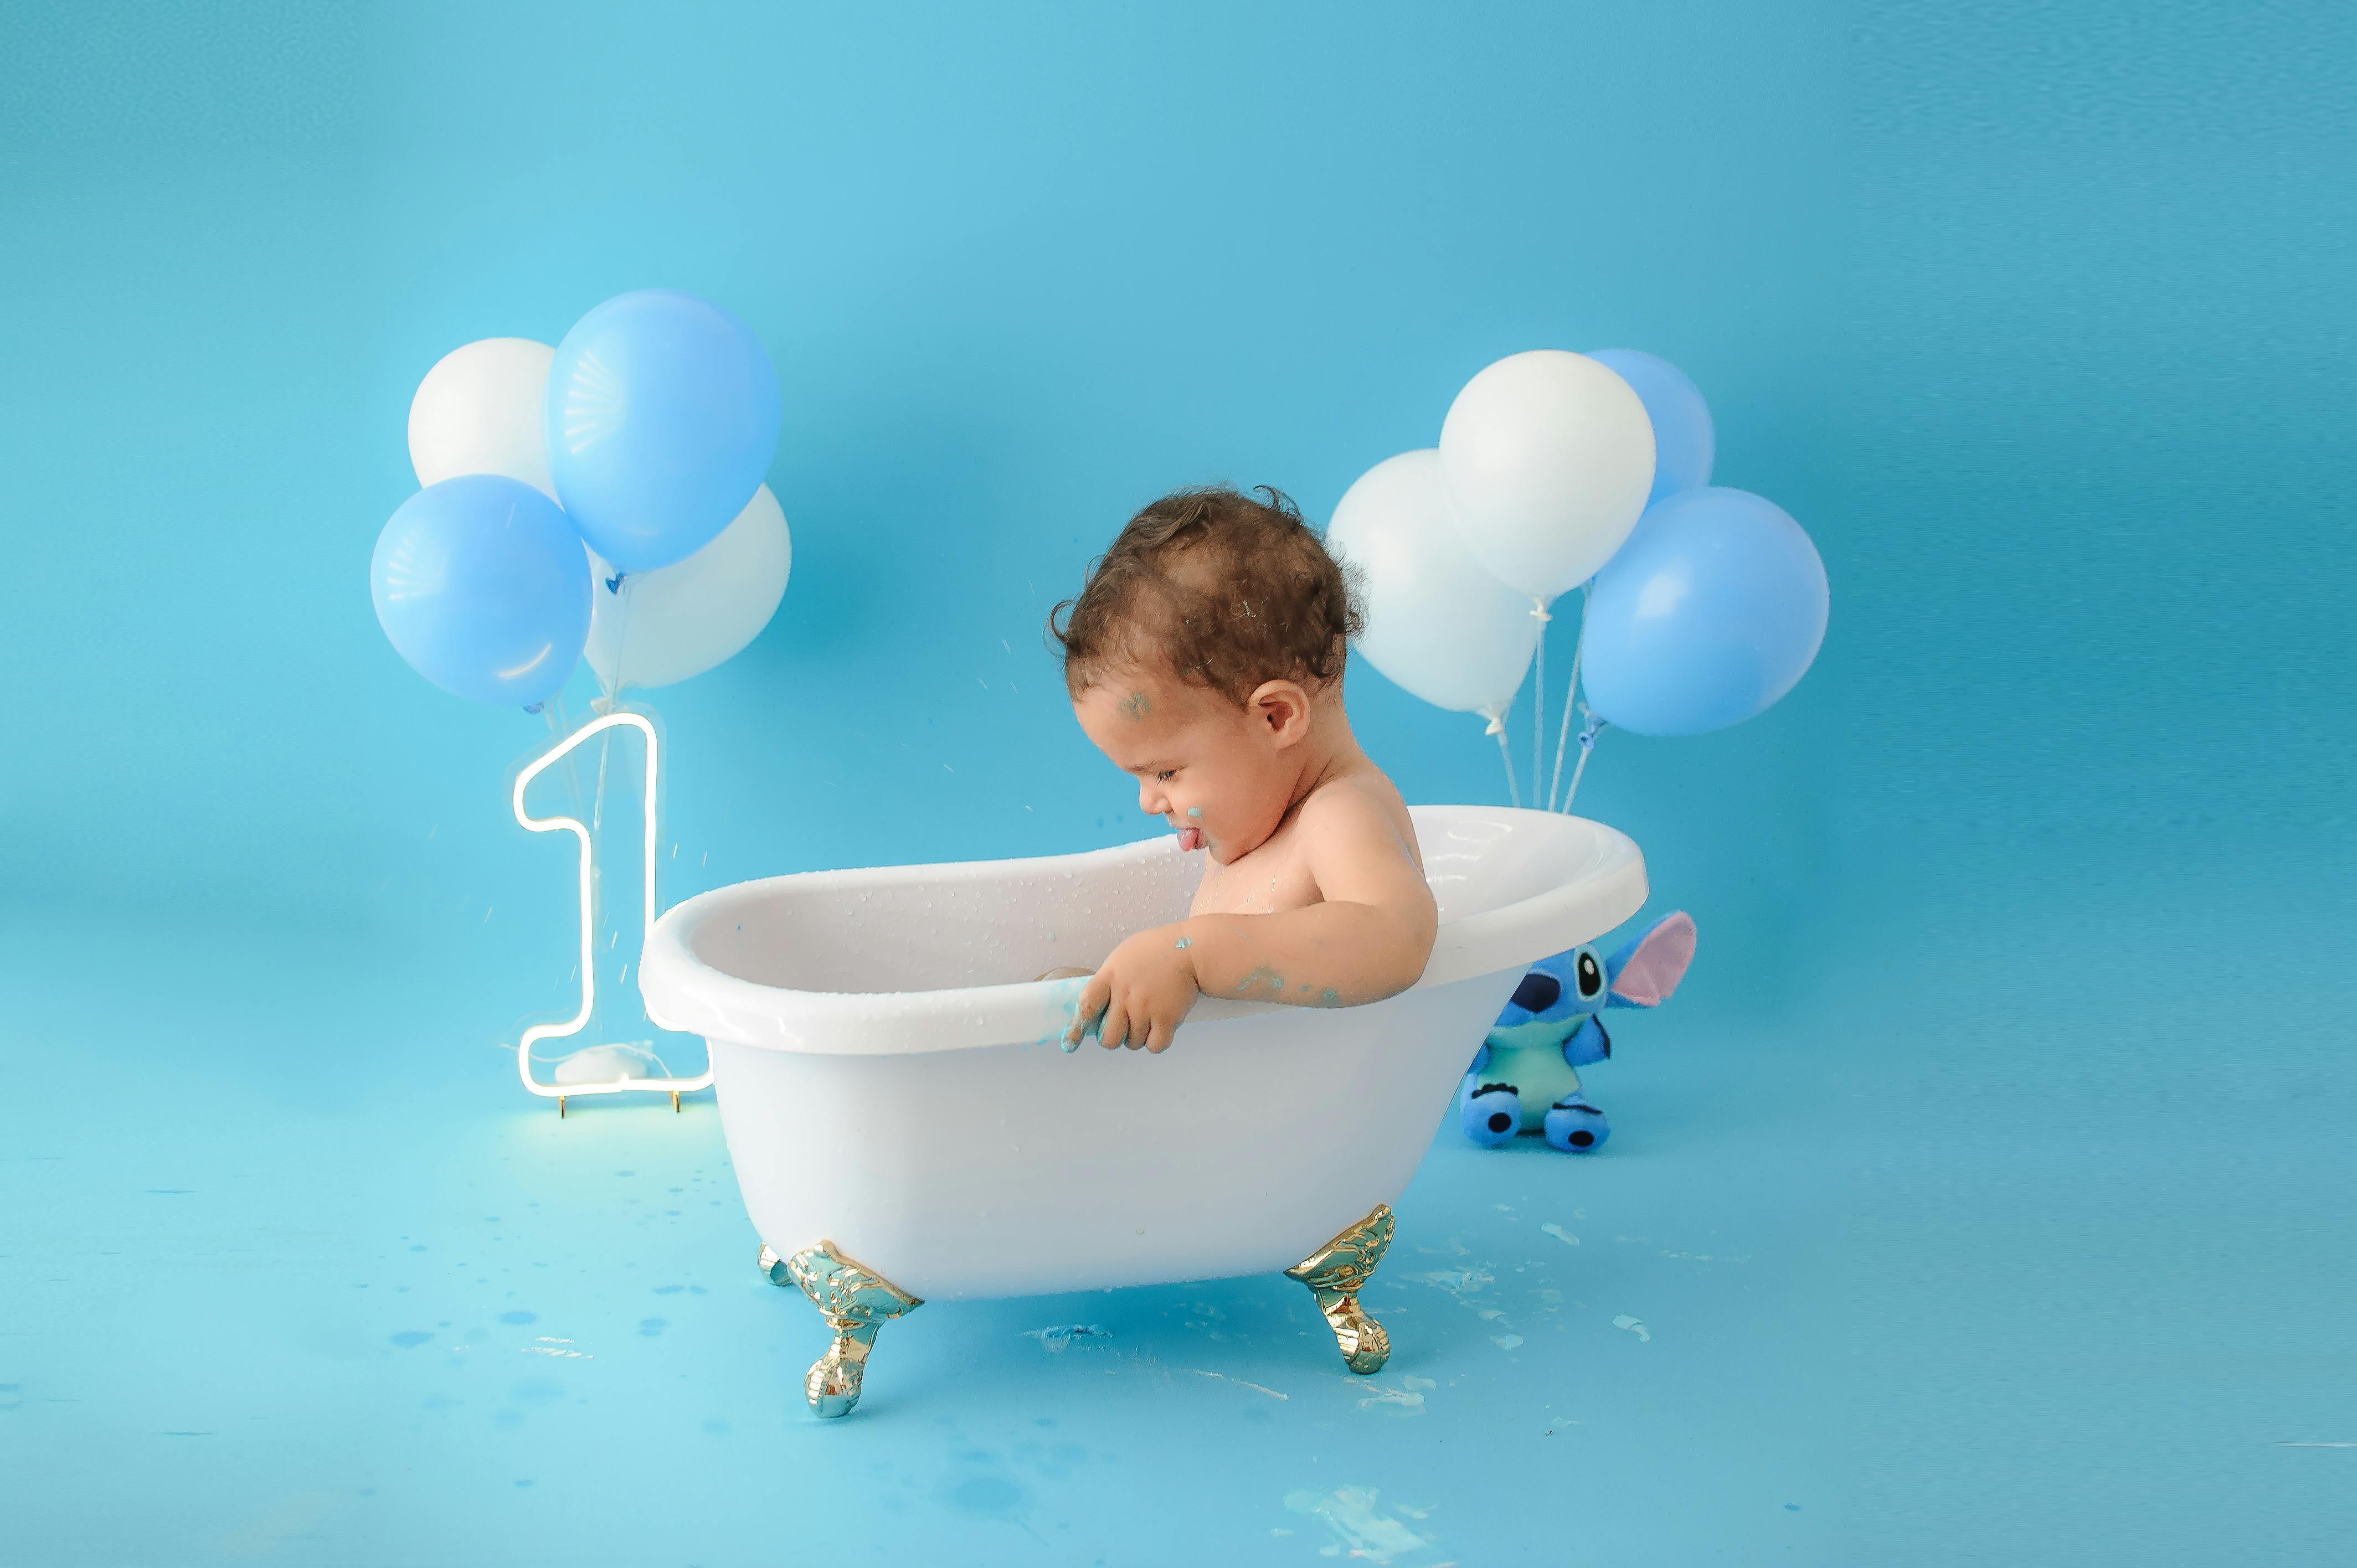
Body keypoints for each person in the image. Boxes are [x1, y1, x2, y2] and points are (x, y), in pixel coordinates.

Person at [1052, 485, 1438, 1053]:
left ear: (1276, 718)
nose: (1148, 802)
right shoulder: (1259, 825)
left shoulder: (1337, 814)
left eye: (1165, 773)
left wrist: (1193, 954)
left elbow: (1397, 936)